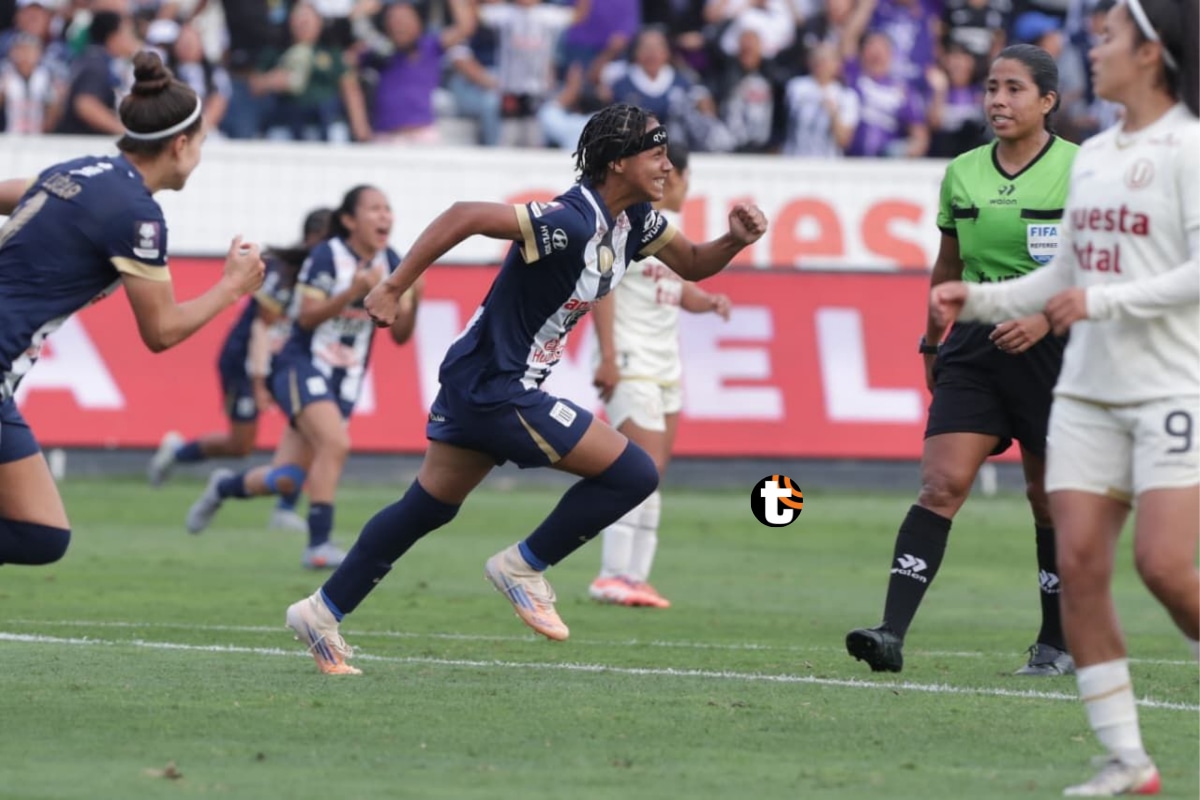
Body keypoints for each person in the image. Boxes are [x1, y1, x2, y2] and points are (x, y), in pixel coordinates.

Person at [283, 103, 767, 675]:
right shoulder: (571, 220)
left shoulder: (636, 222)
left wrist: (733, 240)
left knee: (425, 508)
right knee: (634, 473)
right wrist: (393, 286)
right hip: (495, 386)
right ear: (617, 163)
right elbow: (464, 215)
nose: (668, 167)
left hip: (484, 379)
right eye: (657, 155)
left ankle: (320, 612)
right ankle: (522, 566)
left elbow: (693, 262)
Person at [930, 0, 1197, 792]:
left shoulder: (1188, 148)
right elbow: (1065, 272)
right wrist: (978, 300)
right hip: (1084, 393)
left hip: (1166, 386)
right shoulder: (1098, 155)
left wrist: (1100, 304)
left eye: (1109, 37)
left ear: (1150, 54)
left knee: (1163, 566)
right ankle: (1128, 759)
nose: (1094, 48)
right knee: (1079, 568)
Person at [846, 44, 1079, 677]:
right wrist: (932, 340)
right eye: (991, 87)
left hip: (1056, 346)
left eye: (1014, 89)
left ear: (1047, 101)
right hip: (975, 344)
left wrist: (1043, 318)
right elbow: (948, 265)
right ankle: (890, 633)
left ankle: (1056, 643)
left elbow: (1102, 266)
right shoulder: (963, 172)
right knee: (941, 484)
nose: (998, 100)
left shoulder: (1083, 171)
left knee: (1047, 499)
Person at [0, 51, 264, 568]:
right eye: (201, 144)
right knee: (39, 534)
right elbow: (161, 331)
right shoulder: (137, 214)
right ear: (180, 145)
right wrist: (233, 286)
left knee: (41, 533)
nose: (200, 157)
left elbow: (19, 196)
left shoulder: (79, 170)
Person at [183, 185, 420, 570]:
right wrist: (353, 291)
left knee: (287, 479)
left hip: (346, 380)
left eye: (387, 209)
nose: (384, 216)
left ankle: (222, 486)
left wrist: (413, 298)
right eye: (374, 209)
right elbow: (306, 318)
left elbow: (400, 335)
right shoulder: (327, 256)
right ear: (349, 220)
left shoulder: (393, 262)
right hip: (300, 366)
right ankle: (319, 545)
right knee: (336, 443)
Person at [587, 141, 731, 608]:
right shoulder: (628, 226)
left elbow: (676, 288)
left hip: (666, 367)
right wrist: (609, 357)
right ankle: (611, 574)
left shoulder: (669, 234)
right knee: (637, 469)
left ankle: (635, 577)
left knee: (652, 475)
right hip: (631, 362)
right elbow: (602, 289)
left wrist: (707, 302)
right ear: (675, 177)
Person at [147, 207, 333, 532]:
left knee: (314, 431)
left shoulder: (329, 273)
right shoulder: (283, 271)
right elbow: (262, 329)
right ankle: (177, 453)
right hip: (247, 360)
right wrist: (259, 382)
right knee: (240, 445)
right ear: (313, 237)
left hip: (287, 363)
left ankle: (284, 508)